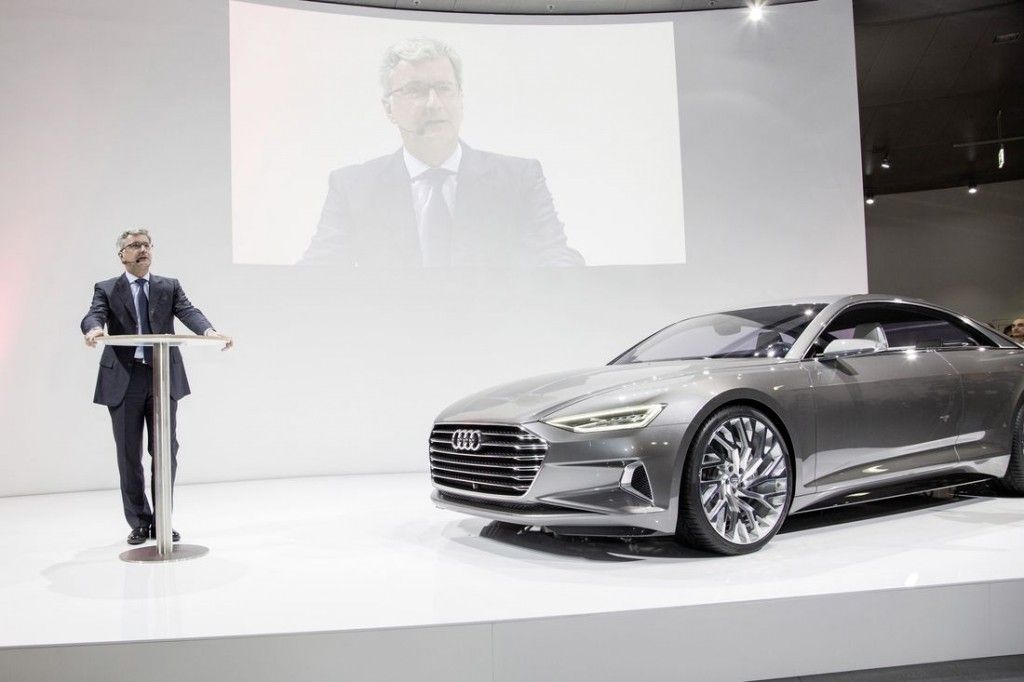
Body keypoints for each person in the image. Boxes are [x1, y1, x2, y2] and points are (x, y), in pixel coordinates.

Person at [302, 37, 584, 268]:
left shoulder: (519, 179)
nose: (433, 103)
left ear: (460, 98)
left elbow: (555, 256)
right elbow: (316, 274)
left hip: (492, 321)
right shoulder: (352, 187)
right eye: (415, 90)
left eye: (444, 88)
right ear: (388, 108)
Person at [81, 229, 232, 545]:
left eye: (146, 245)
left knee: (165, 451)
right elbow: (95, 314)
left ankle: (162, 520)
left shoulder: (168, 286)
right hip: (125, 379)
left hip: (162, 375)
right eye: (134, 245)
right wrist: (94, 330)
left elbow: (188, 311)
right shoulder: (106, 288)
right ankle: (139, 521)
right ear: (121, 255)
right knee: (129, 453)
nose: (142, 249)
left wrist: (208, 331)